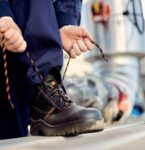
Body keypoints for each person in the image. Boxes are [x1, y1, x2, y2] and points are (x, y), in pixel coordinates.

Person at [0, 0, 104, 139]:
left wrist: (64, 20)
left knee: (11, 136)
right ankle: (44, 92)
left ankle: (44, 94)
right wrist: (3, 14)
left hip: (17, 57)